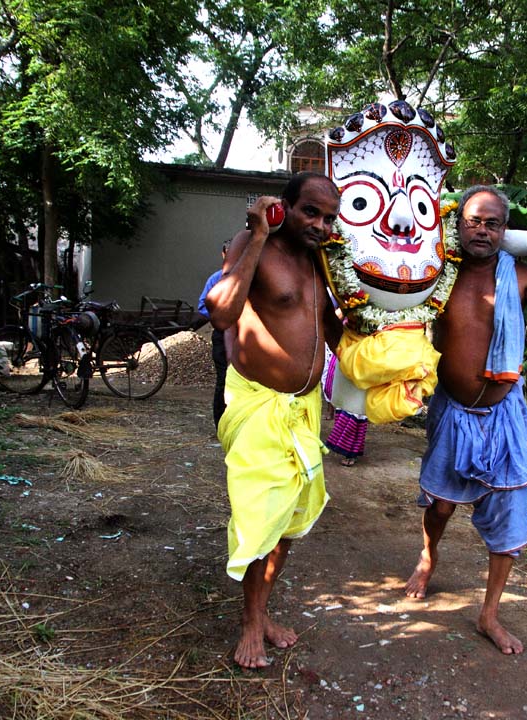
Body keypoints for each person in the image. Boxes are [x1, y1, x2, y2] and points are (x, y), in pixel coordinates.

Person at [404, 185, 527, 655]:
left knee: (510, 520)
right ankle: (428, 556)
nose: (483, 230)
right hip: (451, 410)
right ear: (458, 224)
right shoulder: (438, 272)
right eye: (474, 221)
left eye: (493, 223)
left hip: (504, 416)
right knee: (440, 506)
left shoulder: (520, 276)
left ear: (505, 229)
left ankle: (490, 614)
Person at [205, 172, 343, 669]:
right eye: (311, 212)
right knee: (261, 520)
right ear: (284, 206)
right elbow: (221, 314)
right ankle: (249, 626)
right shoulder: (251, 242)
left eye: (329, 217)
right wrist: (260, 235)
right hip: (258, 404)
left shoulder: (323, 261)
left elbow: (332, 331)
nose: (321, 225)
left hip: (304, 409)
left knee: (288, 523)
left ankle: (261, 613)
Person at [197, 239, 231, 427]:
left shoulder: (249, 278)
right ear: (223, 254)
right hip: (222, 334)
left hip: (244, 337)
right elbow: (202, 306)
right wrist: (221, 315)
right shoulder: (215, 279)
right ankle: (220, 423)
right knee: (223, 379)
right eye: (229, 253)